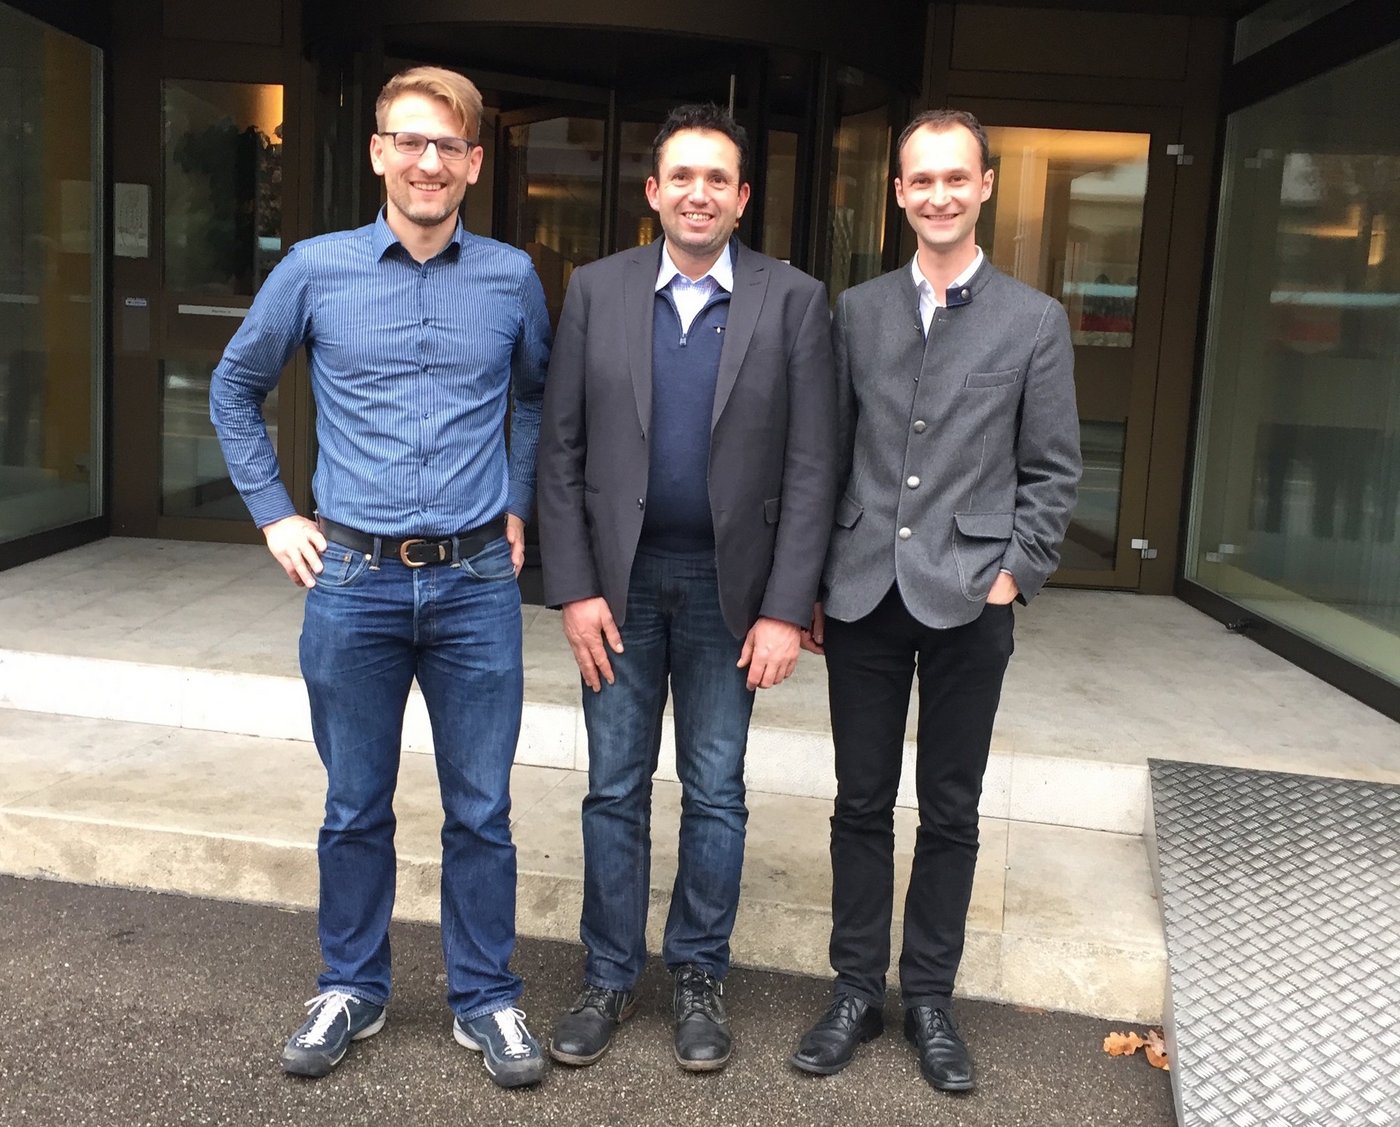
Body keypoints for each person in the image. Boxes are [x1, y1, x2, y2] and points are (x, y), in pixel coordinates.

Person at [209, 65, 551, 1089]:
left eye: (447, 147)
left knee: (479, 808)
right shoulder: (313, 270)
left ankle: (485, 996)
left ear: (475, 164)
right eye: (409, 141)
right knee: (354, 802)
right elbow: (235, 385)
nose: (427, 162)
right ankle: (350, 984)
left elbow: (535, 397)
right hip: (351, 577)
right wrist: (273, 512)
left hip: (475, 580)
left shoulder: (512, 277)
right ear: (377, 153)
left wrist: (519, 499)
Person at [537, 103, 837, 1072]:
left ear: (741, 196)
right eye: (682, 176)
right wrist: (574, 586)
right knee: (612, 788)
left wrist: (787, 604)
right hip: (617, 591)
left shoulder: (792, 300)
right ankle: (608, 974)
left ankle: (698, 975)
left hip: (727, 593)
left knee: (715, 792)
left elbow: (811, 465)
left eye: (719, 178)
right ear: (652, 191)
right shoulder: (594, 289)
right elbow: (561, 450)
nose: (699, 192)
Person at [789, 108, 1081, 1092]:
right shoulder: (857, 310)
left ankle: (927, 996)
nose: (937, 194)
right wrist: (816, 579)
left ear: (984, 185)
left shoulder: (1032, 321)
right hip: (864, 589)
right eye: (920, 180)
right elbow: (825, 453)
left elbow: (1051, 470)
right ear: (899, 193)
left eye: (955, 178)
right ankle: (850, 989)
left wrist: (1014, 572)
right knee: (858, 802)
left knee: (950, 808)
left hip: (970, 595)